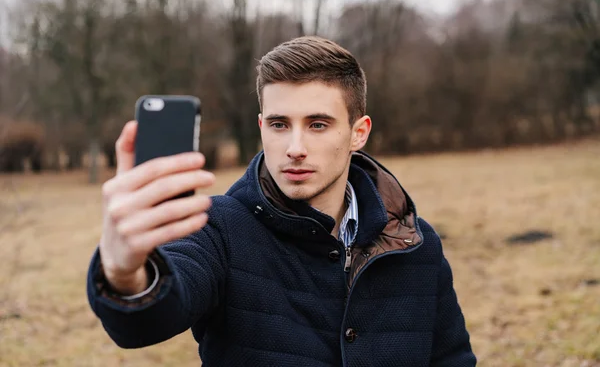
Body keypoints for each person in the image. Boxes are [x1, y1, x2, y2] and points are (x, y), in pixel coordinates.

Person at [87, 36, 477, 366]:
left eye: (318, 125)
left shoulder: (413, 242)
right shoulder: (217, 228)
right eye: (279, 124)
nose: (294, 148)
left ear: (359, 133)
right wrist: (125, 274)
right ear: (261, 127)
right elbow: (147, 321)